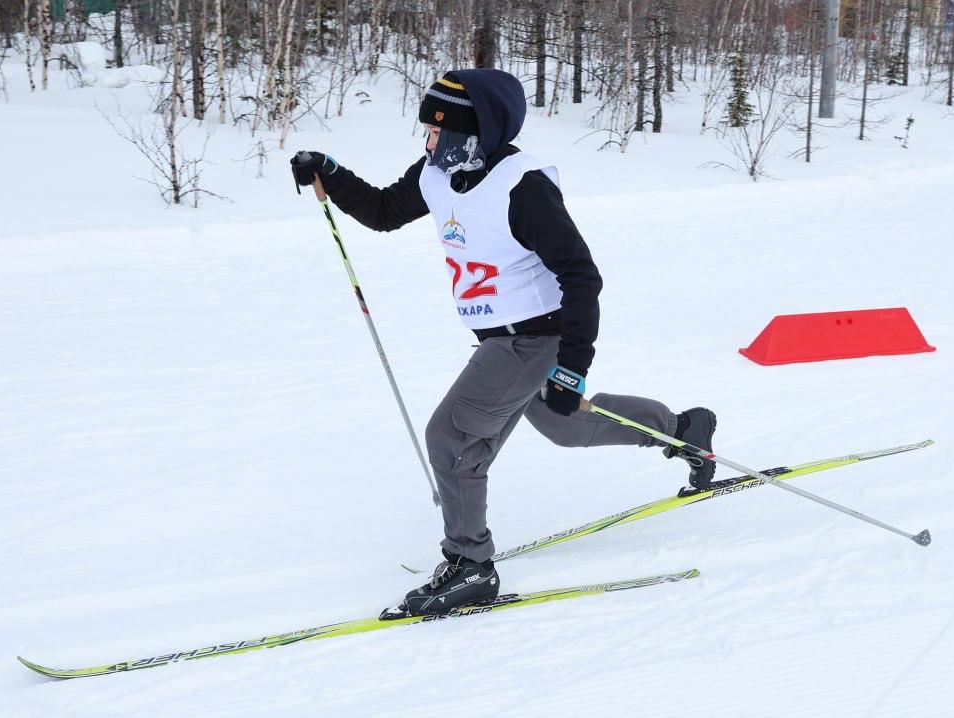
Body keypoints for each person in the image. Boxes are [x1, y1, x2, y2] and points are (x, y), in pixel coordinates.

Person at [290, 69, 717, 617]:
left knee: (452, 438)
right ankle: (683, 429)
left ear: (475, 135)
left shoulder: (523, 188)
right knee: (565, 425)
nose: (428, 144)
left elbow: (581, 277)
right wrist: (331, 172)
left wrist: (571, 368)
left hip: (532, 338)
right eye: (427, 133)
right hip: (504, 338)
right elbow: (384, 212)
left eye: (438, 133)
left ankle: (470, 565)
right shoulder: (438, 174)